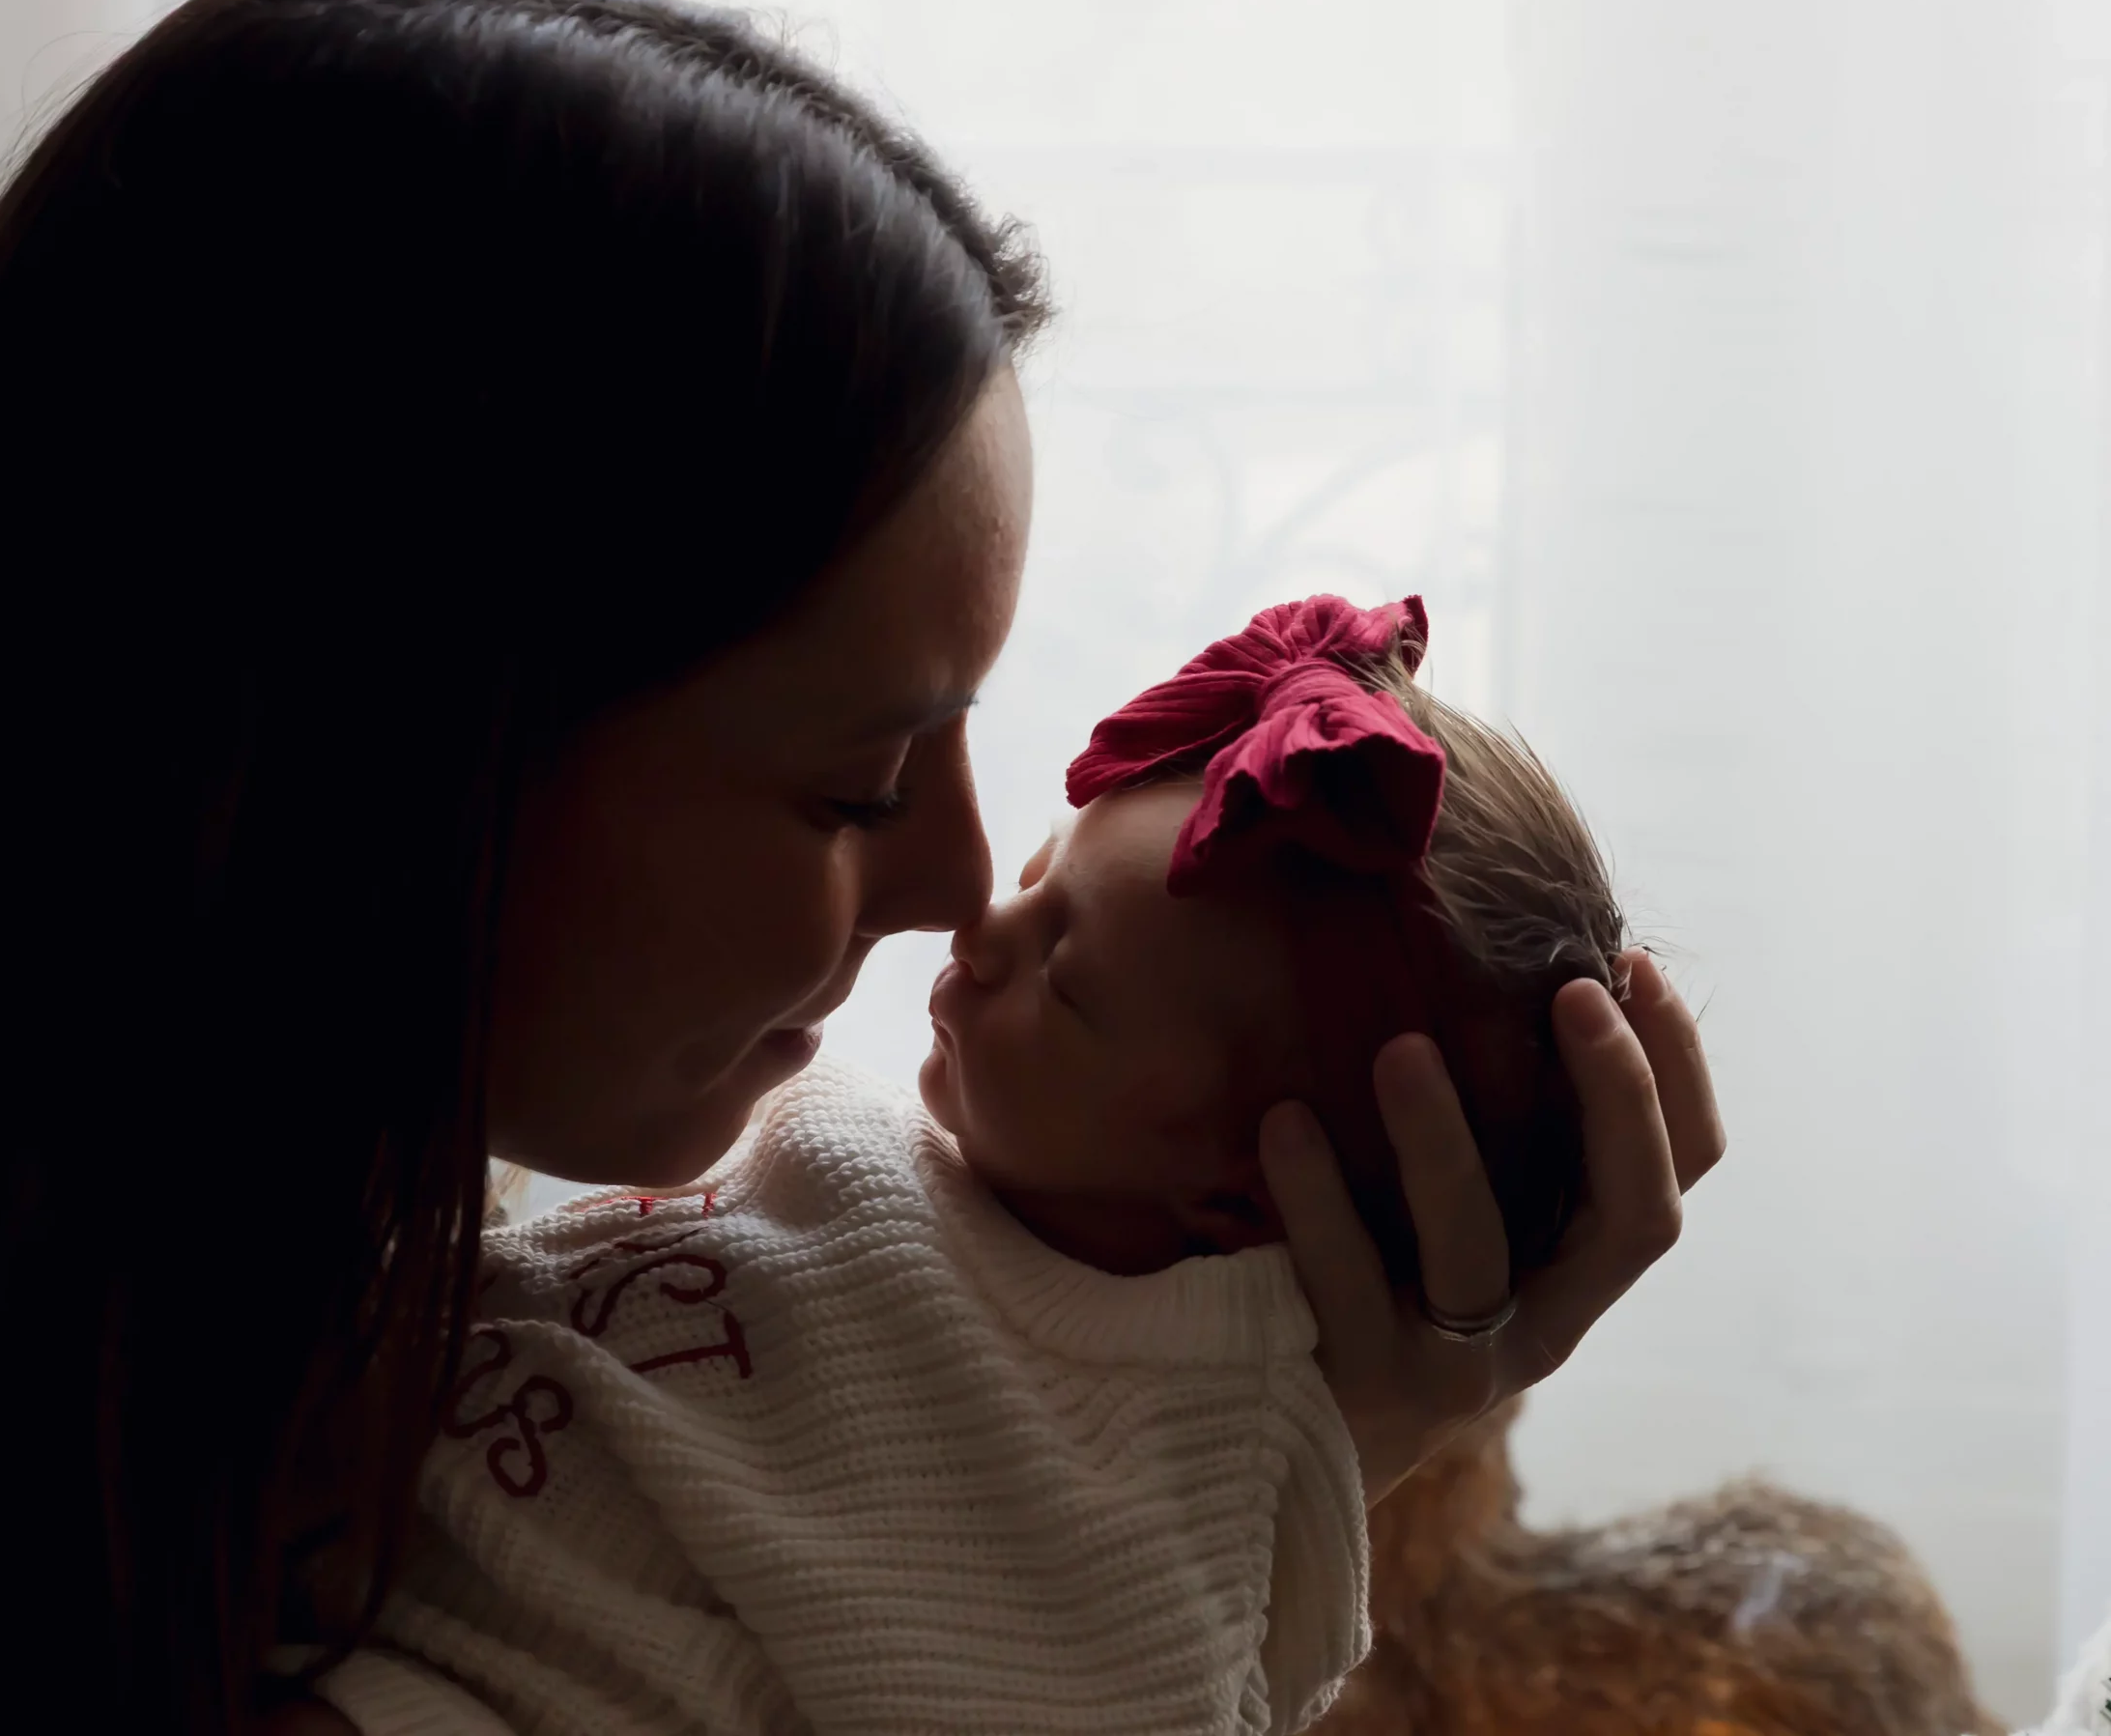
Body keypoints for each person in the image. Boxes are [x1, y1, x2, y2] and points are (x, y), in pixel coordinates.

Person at [0, 0, 1720, 1736]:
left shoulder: (233, 1228)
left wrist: (1262, 1445)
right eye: (853, 780)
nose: (939, 896)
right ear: (387, 733)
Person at [308, 595, 1627, 1736]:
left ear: (1247, 1191)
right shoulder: (902, 1168)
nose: (975, 920)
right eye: (1041, 878)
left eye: (1071, 982)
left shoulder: (1124, 1504)